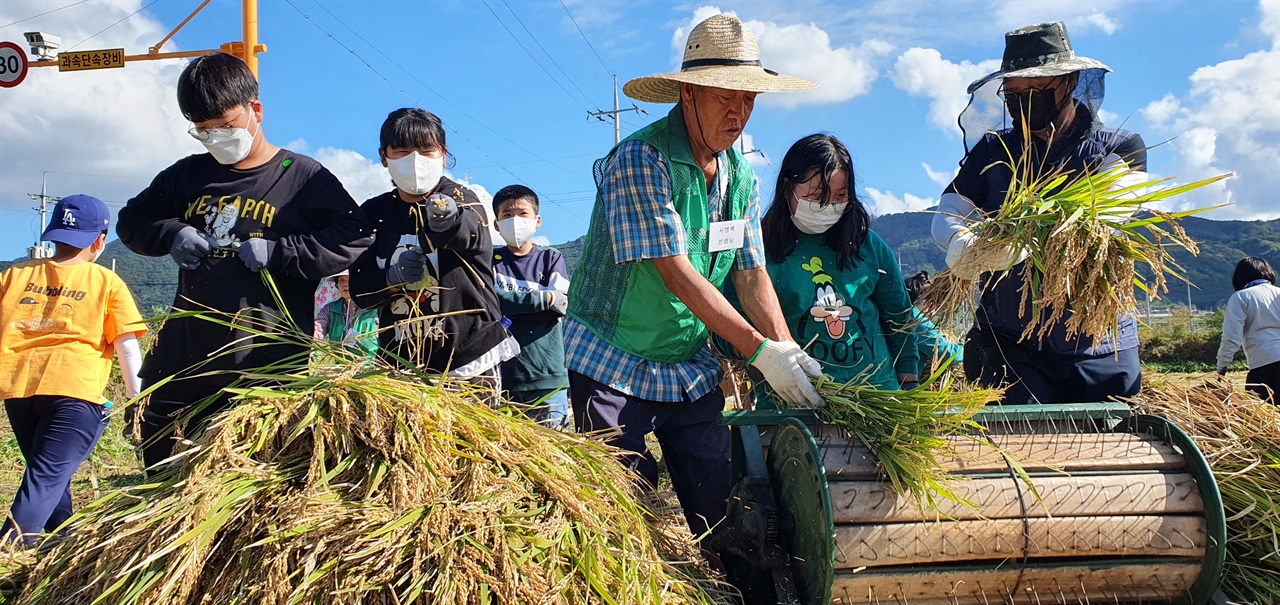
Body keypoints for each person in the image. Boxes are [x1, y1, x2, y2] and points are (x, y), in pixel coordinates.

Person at [565, 13, 822, 538]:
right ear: (687, 93)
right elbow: (676, 273)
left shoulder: (740, 175)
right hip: (614, 359)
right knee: (621, 510)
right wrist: (757, 351)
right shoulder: (641, 159)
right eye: (725, 95)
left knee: (723, 510)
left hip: (687, 363)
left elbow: (751, 273)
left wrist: (786, 348)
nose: (739, 112)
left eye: (749, 98)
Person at [117, 53, 371, 472]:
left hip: (263, 369)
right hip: (183, 363)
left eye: (224, 125)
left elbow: (354, 235)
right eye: (203, 131)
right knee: (163, 478)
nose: (215, 137)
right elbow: (132, 221)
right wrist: (171, 233)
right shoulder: (188, 175)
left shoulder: (302, 178)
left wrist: (281, 252)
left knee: (247, 488)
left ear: (255, 110)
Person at [931, 21, 1147, 404]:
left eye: (1035, 89)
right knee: (1019, 446)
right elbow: (949, 209)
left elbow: (1106, 217)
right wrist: (961, 243)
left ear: (1070, 81)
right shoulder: (993, 151)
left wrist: (1024, 239)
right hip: (1011, 341)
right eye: (1013, 92)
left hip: (1097, 341)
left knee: (1113, 447)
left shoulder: (1118, 147)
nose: (1023, 100)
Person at [0, 195, 146, 544]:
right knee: (46, 478)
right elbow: (127, 345)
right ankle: (10, 553)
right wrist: (137, 399)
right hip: (74, 393)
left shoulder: (14, 276)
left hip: (19, 393)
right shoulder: (105, 281)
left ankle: (64, 543)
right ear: (99, 240)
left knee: (51, 474)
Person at [349, 108, 517, 393]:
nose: (415, 161)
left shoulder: (462, 197)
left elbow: (472, 233)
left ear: (443, 154)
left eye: (426, 151)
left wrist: (449, 221)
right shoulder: (373, 213)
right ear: (383, 157)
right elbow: (360, 291)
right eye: (402, 151)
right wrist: (391, 278)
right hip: (401, 363)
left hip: (468, 358)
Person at [742, 134, 919, 391]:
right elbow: (734, 329)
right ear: (787, 187)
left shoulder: (868, 245)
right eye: (817, 197)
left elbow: (899, 318)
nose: (828, 207)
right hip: (795, 401)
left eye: (839, 197)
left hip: (876, 395)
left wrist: (909, 380)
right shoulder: (757, 252)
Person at [491, 185, 571, 428]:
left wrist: (507, 304)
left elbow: (561, 304)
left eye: (522, 213)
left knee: (556, 453)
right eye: (507, 214)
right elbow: (489, 302)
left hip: (548, 375)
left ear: (537, 221)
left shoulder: (551, 258)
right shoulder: (487, 259)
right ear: (496, 224)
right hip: (503, 377)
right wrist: (542, 300)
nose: (515, 220)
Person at [1217, 257, 1280, 404]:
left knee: (1261, 417)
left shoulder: (1241, 297)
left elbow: (1231, 338)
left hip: (1264, 364)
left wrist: (1221, 367)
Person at [902, 271, 964, 379]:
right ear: (927, 302)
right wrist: (966, 348)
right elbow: (948, 354)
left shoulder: (896, 314)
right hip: (903, 385)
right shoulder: (916, 321)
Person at [313, 271, 378, 358]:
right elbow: (318, 329)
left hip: (373, 367)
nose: (346, 284)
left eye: (350, 279)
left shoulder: (374, 308)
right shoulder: (330, 309)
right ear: (337, 285)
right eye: (341, 280)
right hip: (341, 368)